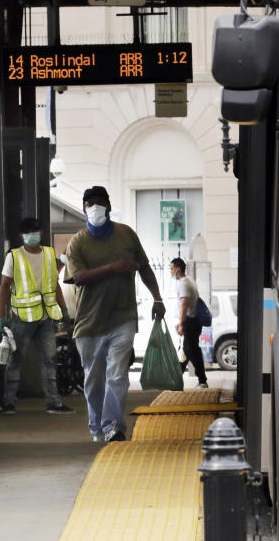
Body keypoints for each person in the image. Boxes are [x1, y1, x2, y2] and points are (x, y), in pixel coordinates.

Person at [64, 186, 165, 442]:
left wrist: (157, 297)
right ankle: (97, 426)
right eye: (90, 203)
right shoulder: (77, 242)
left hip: (123, 317)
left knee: (117, 375)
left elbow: (144, 267)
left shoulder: (126, 235)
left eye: (99, 202)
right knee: (94, 381)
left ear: (108, 205)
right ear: (84, 207)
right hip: (89, 323)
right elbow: (78, 278)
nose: (95, 207)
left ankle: (113, 427)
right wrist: (113, 268)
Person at [0, 217, 74, 415]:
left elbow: (55, 284)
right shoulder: (13, 256)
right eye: (30, 232)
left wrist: (63, 309)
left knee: (50, 359)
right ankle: (8, 402)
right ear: (22, 236)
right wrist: (0, 316)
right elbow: (4, 286)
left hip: (46, 317)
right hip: (21, 317)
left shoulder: (48, 254)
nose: (34, 235)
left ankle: (54, 403)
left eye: (37, 231)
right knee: (16, 359)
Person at [169, 257, 207, 389]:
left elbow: (184, 304)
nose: (171, 271)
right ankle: (176, 379)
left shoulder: (183, 283)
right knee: (188, 349)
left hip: (190, 321)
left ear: (178, 269)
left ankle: (202, 380)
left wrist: (181, 323)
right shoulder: (189, 280)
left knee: (192, 350)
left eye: (172, 268)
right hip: (194, 321)